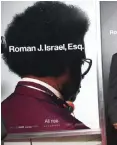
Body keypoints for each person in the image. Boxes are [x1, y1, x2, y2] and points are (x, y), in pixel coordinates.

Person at [1, 1, 92, 133]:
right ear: (67, 62)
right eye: (81, 61)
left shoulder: (3, 110)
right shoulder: (74, 132)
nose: (81, 74)